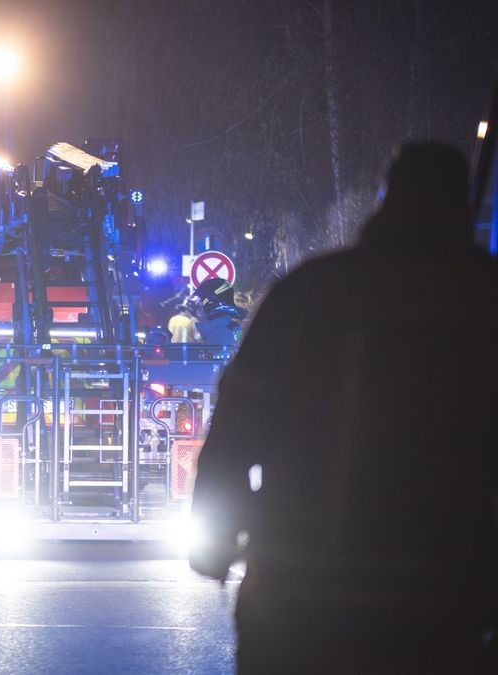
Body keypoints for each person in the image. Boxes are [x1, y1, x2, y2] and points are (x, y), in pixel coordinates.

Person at [189, 143, 498, 672]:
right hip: (440, 598)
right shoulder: (481, 296)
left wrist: (216, 543)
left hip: (298, 593)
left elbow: (237, 426)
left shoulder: (309, 292)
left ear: (386, 197)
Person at [189, 278, 245, 346]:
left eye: (201, 302)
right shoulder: (230, 321)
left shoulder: (230, 324)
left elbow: (237, 343)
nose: (199, 308)